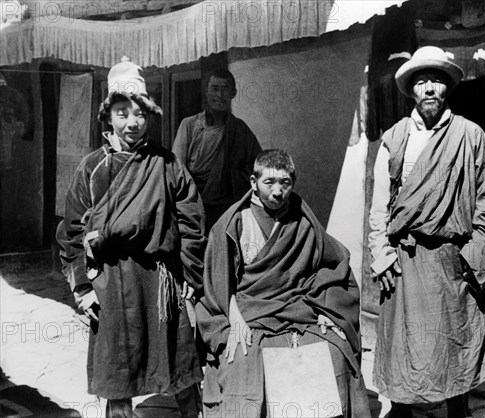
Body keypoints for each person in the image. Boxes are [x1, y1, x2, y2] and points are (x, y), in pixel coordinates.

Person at [56, 57, 206, 418]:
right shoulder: (91, 168)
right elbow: (72, 233)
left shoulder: (167, 164)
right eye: (122, 113)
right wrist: (82, 289)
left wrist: (190, 272)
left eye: (138, 113)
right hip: (112, 281)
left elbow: (192, 221)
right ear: (109, 117)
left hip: (160, 280)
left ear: (148, 115)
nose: (132, 122)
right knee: (118, 374)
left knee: (180, 366)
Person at [368, 46, 485, 418]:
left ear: (447, 89)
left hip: (451, 259)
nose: (429, 88)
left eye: (437, 81)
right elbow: (380, 205)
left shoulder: (470, 135)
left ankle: (458, 405)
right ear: (412, 90)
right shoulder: (394, 139)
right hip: (405, 258)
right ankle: (401, 406)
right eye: (422, 81)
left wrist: (476, 251)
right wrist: (380, 254)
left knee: (453, 340)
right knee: (405, 341)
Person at [196, 149, 371, 417]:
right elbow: (219, 282)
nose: (277, 191)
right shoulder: (234, 223)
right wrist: (236, 320)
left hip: (300, 306)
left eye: (285, 183)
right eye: (269, 183)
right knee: (243, 363)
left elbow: (333, 264)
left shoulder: (303, 221)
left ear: (293, 182)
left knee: (335, 351)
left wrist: (326, 309)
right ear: (254, 183)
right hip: (247, 309)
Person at [172, 69, 262, 231]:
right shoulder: (189, 125)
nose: (219, 95)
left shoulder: (239, 129)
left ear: (233, 93)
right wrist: (191, 199)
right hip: (192, 203)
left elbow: (259, 166)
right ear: (206, 91)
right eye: (214, 88)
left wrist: (232, 176)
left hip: (226, 206)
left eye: (225, 89)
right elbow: (176, 168)